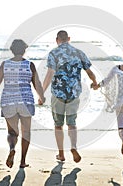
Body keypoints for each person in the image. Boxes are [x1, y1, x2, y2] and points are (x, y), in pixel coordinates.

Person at [0, 39, 45, 168]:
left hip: (8, 101)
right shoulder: (30, 65)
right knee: (26, 133)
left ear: (12, 50)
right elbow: (37, 84)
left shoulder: (5, 64)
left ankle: (12, 148)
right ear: (24, 50)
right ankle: (23, 161)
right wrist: (41, 97)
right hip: (25, 101)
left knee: (12, 133)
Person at [43, 30, 98, 163]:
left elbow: (50, 74)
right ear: (69, 38)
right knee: (72, 123)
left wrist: (41, 92)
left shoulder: (53, 53)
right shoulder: (78, 52)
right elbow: (90, 72)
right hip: (74, 93)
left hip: (58, 93)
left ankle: (61, 154)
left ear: (57, 40)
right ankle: (73, 146)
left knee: (58, 125)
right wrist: (95, 82)